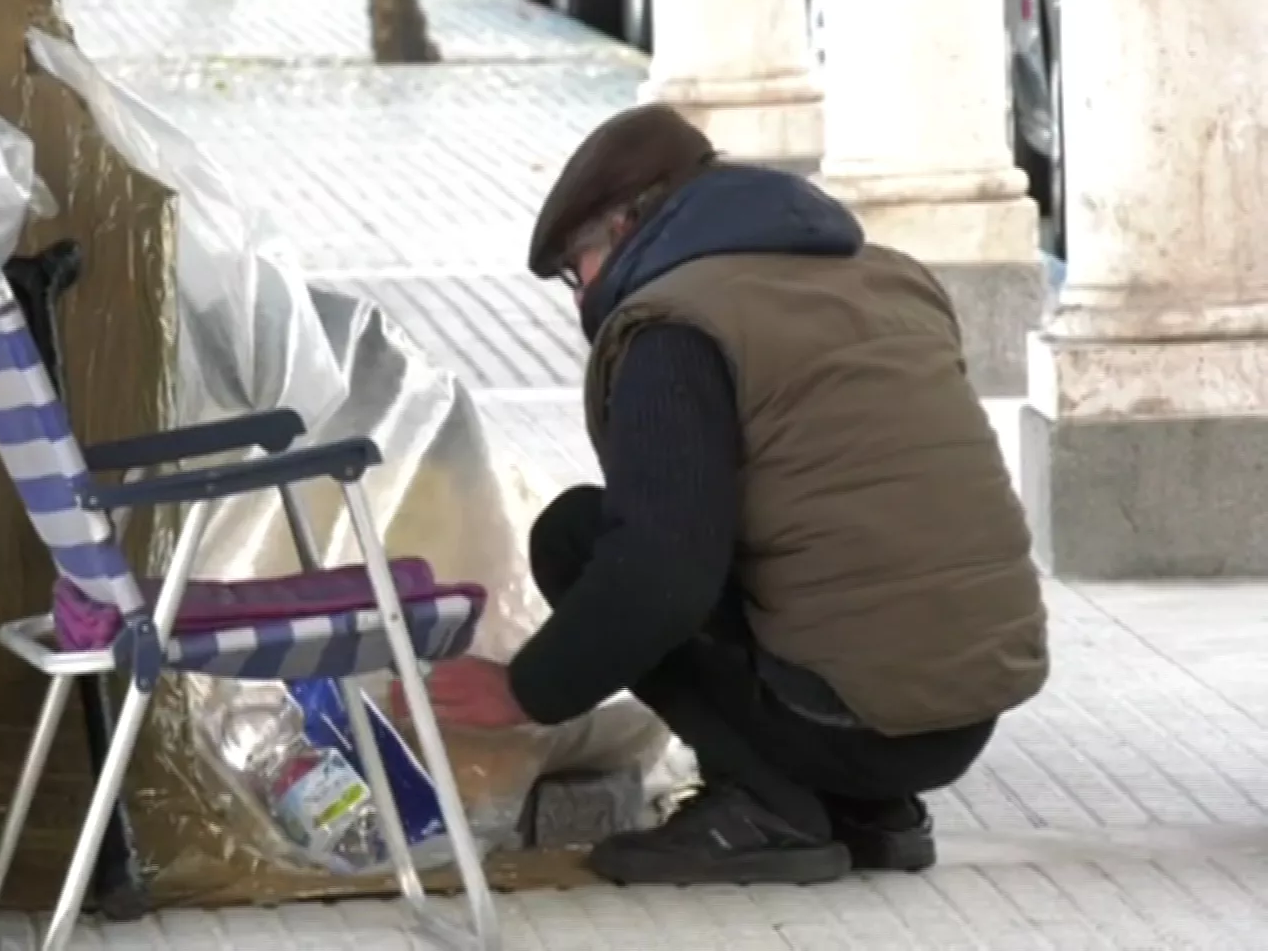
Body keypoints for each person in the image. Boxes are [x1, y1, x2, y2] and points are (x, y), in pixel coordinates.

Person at [412, 104, 1048, 887]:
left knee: (577, 537)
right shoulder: (890, 277)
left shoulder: (676, 329)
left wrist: (524, 689)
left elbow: (661, 577)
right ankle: (870, 810)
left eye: (577, 267)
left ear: (626, 226)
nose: (581, 297)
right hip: (964, 705)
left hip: (853, 713)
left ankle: (768, 810)